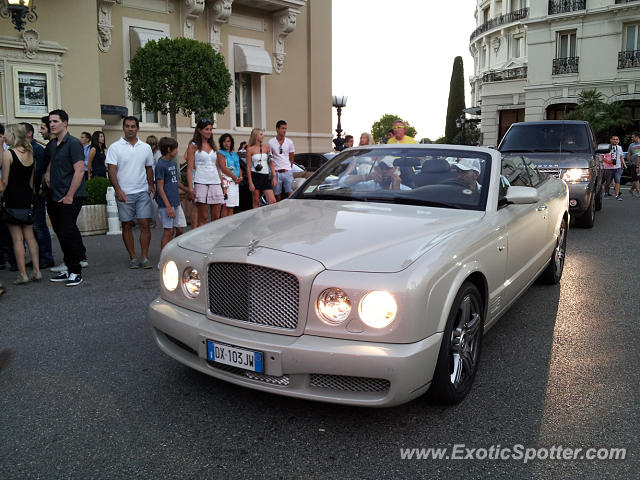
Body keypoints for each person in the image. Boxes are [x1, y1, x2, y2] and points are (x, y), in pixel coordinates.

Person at [105, 116, 155, 269]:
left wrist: (151, 185)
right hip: (124, 193)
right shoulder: (115, 147)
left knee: (145, 223)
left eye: (133, 126)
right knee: (126, 225)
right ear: (124, 128)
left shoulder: (145, 147)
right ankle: (133, 257)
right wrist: (118, 190)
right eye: (127, 126)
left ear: (138, 128)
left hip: (142, 191)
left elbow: (149, 168)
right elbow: (111, 171)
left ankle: (144, 257)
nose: (130, 129)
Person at [44, 110, 86, 287]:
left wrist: (69, 195)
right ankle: (69, 268)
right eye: (50, 121)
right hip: (54, 196)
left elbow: (80, 170)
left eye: (55, 121)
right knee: (61, 233)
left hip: (71, 197)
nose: (52, 124)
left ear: (65, 123)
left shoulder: (74, 143)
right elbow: (52, 163)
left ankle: (76, 271)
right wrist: (47, 173)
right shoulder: (53, 144)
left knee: (67, 232)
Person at [1, 124, 41, 284]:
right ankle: (37, 271)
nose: (4, 137)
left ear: (12, 135)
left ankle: (23, 274)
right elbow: (31, 183)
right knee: (30, 237)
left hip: (12, 199)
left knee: (17, 239)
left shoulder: (8, 154)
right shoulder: (30, 153)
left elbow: (4, 182)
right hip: (27, 199)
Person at [19, 121, 54, 269]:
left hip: (36, 194)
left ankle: (46, 257)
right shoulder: (25, 149)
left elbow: (38, 172)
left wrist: (38, 190)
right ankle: (37, 257)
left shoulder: (37, 149)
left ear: (29, 133)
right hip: (28, 194)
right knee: (31, 227)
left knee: (39, 226)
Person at [186, 119, 224, 227]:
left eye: (211, 129)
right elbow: (189, 169)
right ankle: (202, 241)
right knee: (203, 217)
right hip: (201, 182)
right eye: (206, 129)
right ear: (199, 130)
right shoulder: (193, 146)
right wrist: (190, 188)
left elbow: (217, 167)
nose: (209, 132)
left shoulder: (213, 145)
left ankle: (213, 240)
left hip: (215, 182)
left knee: (216, 217)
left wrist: (222, 184)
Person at [155, 137, 188, 250]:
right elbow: (160, 187)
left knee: (179, 229)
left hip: (175, 202)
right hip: (167, 204)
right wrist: (168, 206)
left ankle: (171, 250)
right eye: (176, 149)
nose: (177, 151)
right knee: (168, 231)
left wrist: (187, 190)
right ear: (169, 149)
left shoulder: (172, 164)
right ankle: (164, 259)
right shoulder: (161, 165)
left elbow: (175, 181)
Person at [246, 127, 276, 208]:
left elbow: (271, 162)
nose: (263, 136)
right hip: (255, 175)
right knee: (256, 200)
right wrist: (250, 182)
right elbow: (248, 167)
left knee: (272, 201)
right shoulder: (249, 149)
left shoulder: (266, 147)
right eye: (261, 134)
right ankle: (256, 219)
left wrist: (274, 176)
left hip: (265, 176)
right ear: (256, 136)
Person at [342, 157, 410, 191]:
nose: (384, 171)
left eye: (388, 168)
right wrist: (366, 177)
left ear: (396, 171)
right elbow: (342, 182)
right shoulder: (369, 185)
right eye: (382, 168)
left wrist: (397, 188)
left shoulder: (406, 190)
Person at [268, 120, 295, 201]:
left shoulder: (289, 142)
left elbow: (291, 158)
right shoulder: (271, 142)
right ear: (277, 129)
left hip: (287, 171)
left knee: (291, 194)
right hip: (276, 172)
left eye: (285, 129)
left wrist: (288, 168)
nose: (284, 131)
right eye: (282, 128)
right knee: (277, 195)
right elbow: (270, 159)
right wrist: (273, 174)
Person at [217, 133, 242, 217]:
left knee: (232, 206)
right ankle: (223, 226)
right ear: (221, 143)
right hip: (227, 181)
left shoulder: (234, 154)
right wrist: (234, 177)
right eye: (224, 141)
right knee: (226, 205)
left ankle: (229, 224)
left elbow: (238, 167)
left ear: (231, 143)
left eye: (228, 141)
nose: (226, 143)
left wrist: (240, 177)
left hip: (235, 182)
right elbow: (223, 168)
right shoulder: (220, 153)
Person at [602, 135, 625, 201]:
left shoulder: (620, 147)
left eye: (617, 139)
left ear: (618, 140)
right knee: (608, 182)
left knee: (617, 181)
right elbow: (602, 157)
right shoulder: (606, 147)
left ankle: (617, 195)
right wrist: (608, 161)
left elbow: (621, 157)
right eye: (614, 139)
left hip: (617, 167)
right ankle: (606, 193)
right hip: (608, 168)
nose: (615, 140)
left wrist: (622, 167)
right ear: (611, 140)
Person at [628, 131, 640, 198]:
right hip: (634, 164)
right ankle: (639, 191)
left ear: (637, 137)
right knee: (636, 178)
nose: (632, 138)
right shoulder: (631, 145)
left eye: (633, 137)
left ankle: (631, 189)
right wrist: (630, 163)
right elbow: (629, 155)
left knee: (638, 178)